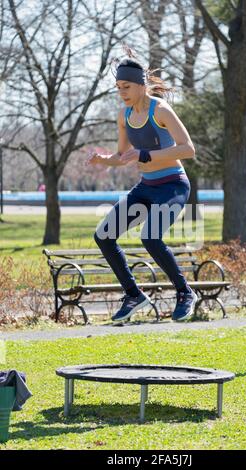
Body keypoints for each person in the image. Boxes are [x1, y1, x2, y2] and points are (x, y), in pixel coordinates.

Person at [88, 49, 197, 323]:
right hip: (146, 187)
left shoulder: (160, 109)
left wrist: (145, 155)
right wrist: (103, 161)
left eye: (126, 87)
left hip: (173, 186)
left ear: (140, 85)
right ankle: (134, 295)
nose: (121, 92)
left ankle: (185, 293)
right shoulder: (124, 115)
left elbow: (188, 149)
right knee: (103, 235)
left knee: (150, 237)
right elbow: (124, 156)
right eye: (118, 87)